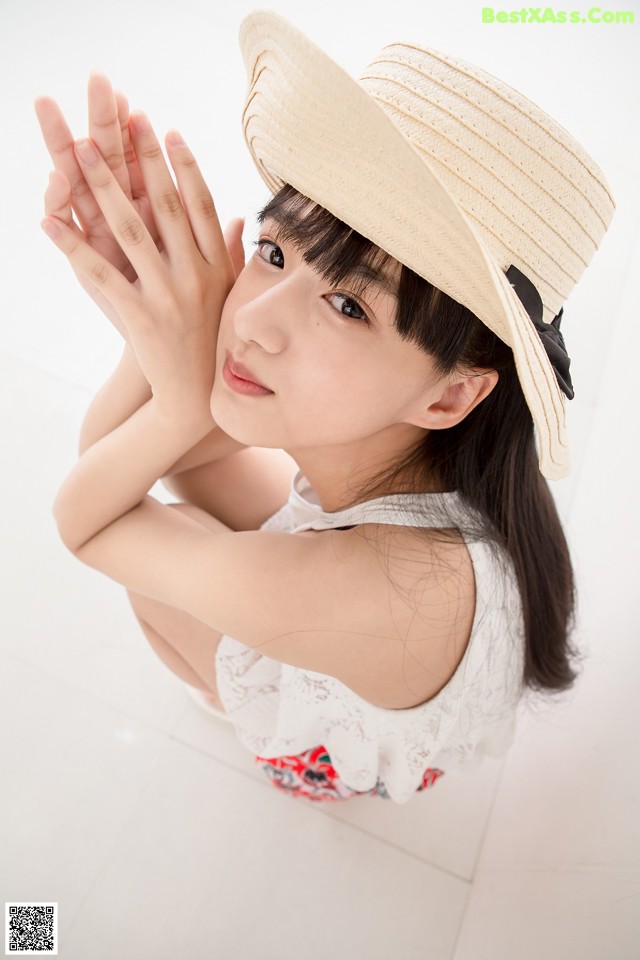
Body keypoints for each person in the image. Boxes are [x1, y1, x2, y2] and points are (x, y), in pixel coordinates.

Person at [35, 11, 614, 804]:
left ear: (452, 391)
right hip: (388, 612)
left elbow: (89, 520)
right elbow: (138, 461)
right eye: (272, 253)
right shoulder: (411, 446)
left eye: (349, 307)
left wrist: (175, 399)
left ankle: (250, 725)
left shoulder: (356, 587)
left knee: (156, 571)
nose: (252, 319)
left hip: (350, 727)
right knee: (175, 486)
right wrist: (157, 316)